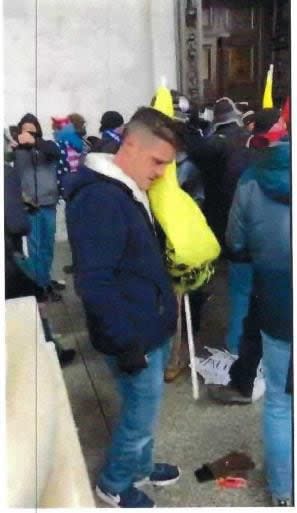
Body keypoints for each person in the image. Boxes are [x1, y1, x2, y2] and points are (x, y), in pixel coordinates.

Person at [65, 107, 181, 508]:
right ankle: (113, 484)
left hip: (149, 325)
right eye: (158, 161)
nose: (163, 172)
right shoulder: (99, 199)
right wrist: (126, 342)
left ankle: (141, 468)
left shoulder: (127, 188)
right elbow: (95, 283)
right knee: (138, 417)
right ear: (131, 145)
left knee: (145, 413)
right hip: (133, 334)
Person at [222, 111, 291, 506]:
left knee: (280, 401)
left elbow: (235, 240)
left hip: (276, 302)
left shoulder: (251, 179)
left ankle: (283, 490)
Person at [4, 162, 76, 367]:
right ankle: (51, 349)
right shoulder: (6, 173)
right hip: (9, 256)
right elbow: (17, 223)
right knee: (33, 300)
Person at [14, 113, 61, 299]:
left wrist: (35, 141)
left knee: (47, 247)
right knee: (34, 248)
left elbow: (55, 152)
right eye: (25, 131)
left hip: (48, 204)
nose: (28, 135)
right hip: (29, 206)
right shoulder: (16, 151)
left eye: (32, 131)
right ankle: (37, 287)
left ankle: (44, 281)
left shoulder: (47, 147)